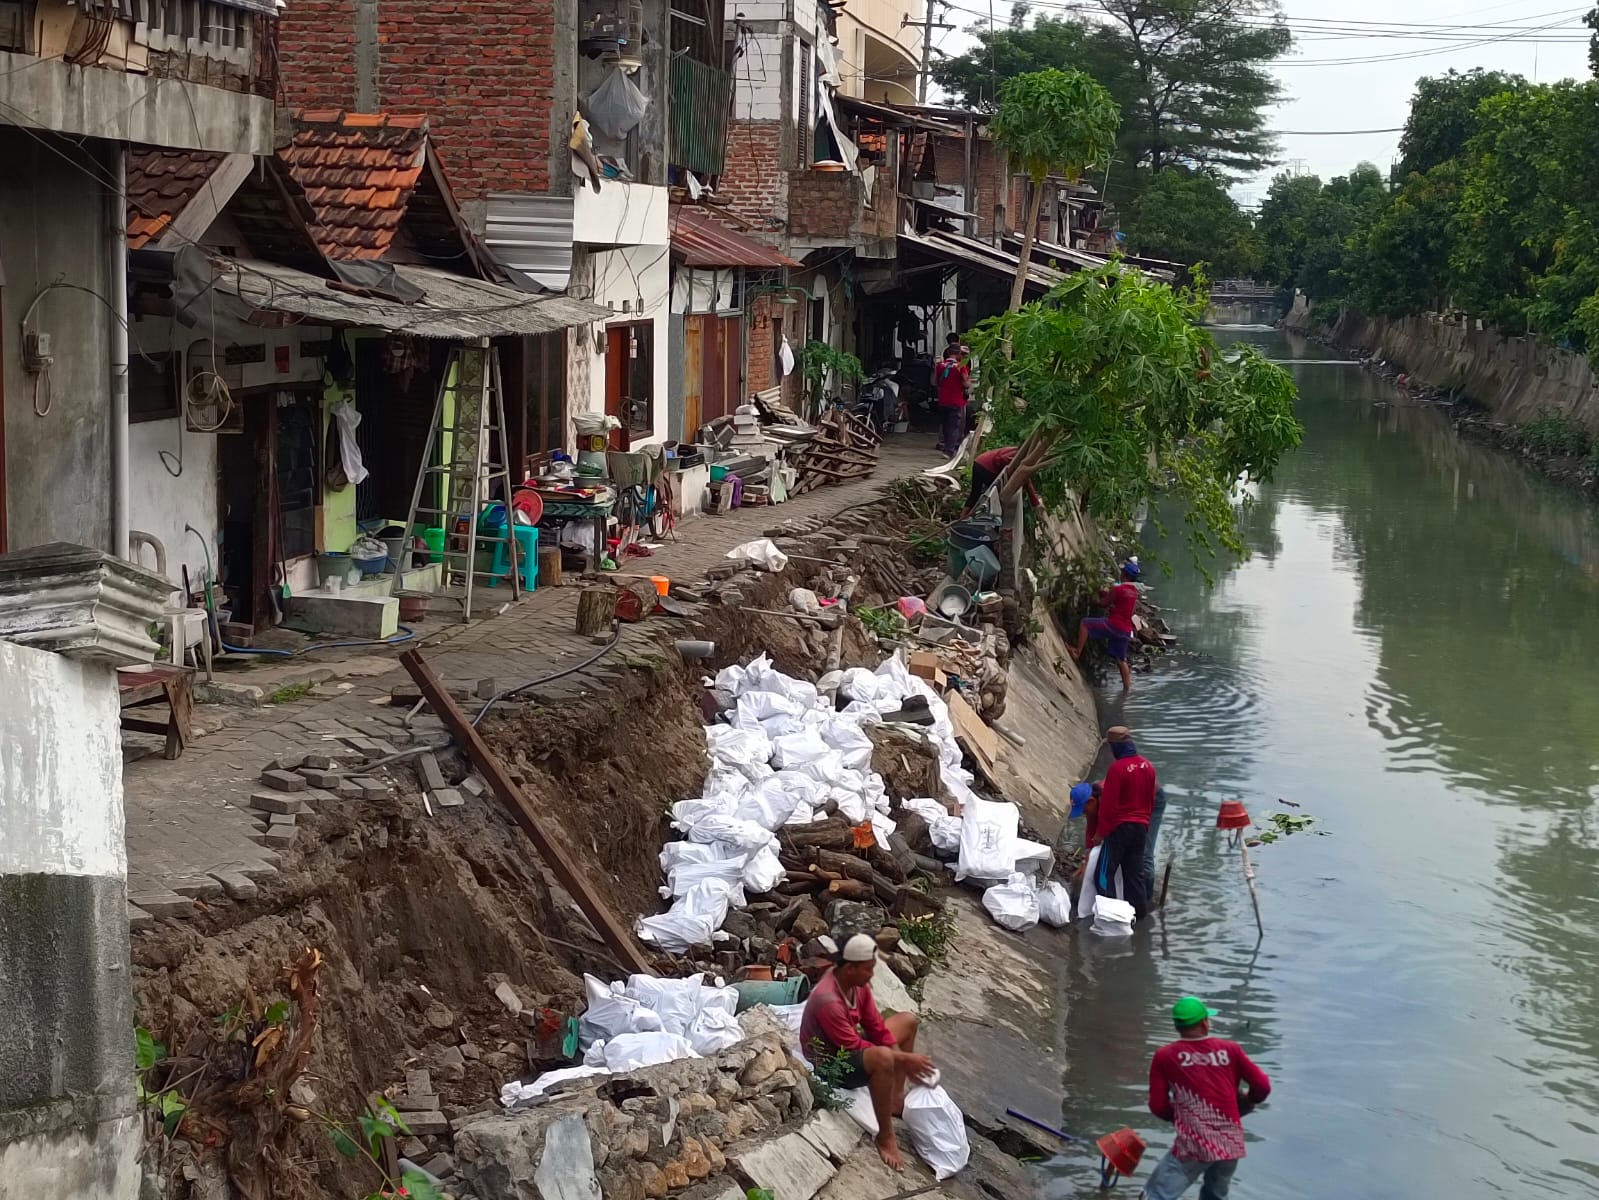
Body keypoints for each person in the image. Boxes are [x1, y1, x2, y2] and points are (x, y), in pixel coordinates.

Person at [798, 933, 934, 1170]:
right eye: (868, 969)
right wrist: (900, 1057)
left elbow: (876, 1026)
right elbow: (851, 1047)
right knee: (882, 1059)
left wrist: (899, 1055)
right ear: (850, 968)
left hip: (849, 1043)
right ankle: (885, 1135)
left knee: (908, 1021)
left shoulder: (857, 986)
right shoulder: (827, 1000)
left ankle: (895, 1098)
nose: (872, 975)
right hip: (831, 1062)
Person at [1145, 996, 1272, 1200]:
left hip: (1195, 1142)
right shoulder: (1231, 1050)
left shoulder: (1165, 1055)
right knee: (1216, 1195)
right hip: (1230, 1142)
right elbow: (1262, 1086)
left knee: (1157, 1194)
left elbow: (1158, 1105)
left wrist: (1181, 1117)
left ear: (1177, 1026)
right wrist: (1247, 1103)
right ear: (1205, 1022)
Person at [1094, 725, 1156, 918]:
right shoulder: (1148, 766)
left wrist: (1100, 833)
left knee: (1103, 875)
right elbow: (1151, 800)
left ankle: (1111, 917)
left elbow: (1108, 806)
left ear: (1115, 747)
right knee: (1134, 876)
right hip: (1141, 828)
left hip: (1120, 828)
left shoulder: (1117, 769)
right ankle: (1139, 918)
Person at [1068, 559, 1141, 690]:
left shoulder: (1118, 589)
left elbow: (1103, 604)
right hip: (1125, 629)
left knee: (1085, 623)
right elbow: (1118, 598)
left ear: (1123, 574)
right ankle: (1127, 689)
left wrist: (1094, 595)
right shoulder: (1134, 592)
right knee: (1121, 660)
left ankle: (1077, 651)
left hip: (1114, 625)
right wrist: (1104, 593)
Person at [963, 445, 1042, 514]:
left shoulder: (1018, 452)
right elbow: (1001, 459)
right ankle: (980, 517)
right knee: (995, 496)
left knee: (975, 494)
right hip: (987, 467)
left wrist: (1035, 502)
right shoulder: (1018, 456)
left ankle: (963, 516)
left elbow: (1026, 480)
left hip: (979, 462)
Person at [933, 335, 970, 456]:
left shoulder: (940, 366)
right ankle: (949, 450)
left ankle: (945, 445)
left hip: (943, 399)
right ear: (958, 353)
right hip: (956, 400)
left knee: (945, 424)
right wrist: (968, 384)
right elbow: (965, 384)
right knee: (955, 425)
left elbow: (935, 382)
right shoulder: (961, 366)